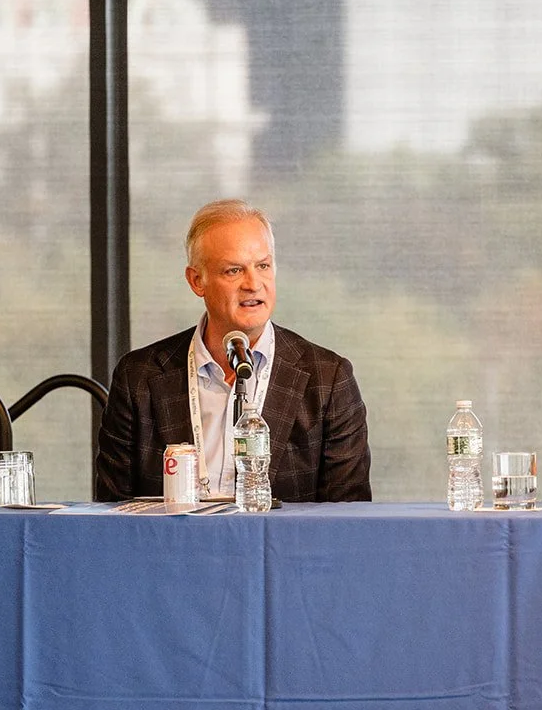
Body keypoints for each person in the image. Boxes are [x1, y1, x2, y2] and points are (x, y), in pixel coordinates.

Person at [95, 199, 372, 502]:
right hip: (172, 549)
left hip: (280, 550)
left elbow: (347, 518)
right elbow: (112, 514)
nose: (253, 284)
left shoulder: (327, 378)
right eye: (233, 271)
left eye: (263, 266)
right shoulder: (139, 377)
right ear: (196, 280)